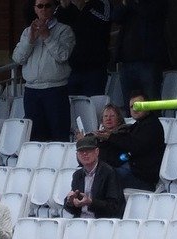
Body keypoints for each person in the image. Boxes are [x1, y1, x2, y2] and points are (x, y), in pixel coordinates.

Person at [12, 1, 75, 142]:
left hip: (55, 89)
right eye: (40, 6)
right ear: (35, 9)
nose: (44, 9)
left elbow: (63, 55)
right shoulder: (28, 31)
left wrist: (47, 36)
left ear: (54, 8)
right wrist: (30, 41)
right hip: (32, 90)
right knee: (35, 136)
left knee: (59, 134)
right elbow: (17, 59)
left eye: (47, 5)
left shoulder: (64, 30)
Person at [96, 94, 165, 191]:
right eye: (132, 107)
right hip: (132, 170)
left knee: (104, 176)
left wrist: (110, 137)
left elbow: (135, 146)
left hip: (143, 178)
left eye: (138, 105)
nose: (135, 109)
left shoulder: (151, 125)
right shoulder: (138, 125)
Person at [114, 0, 168, 102]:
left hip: (148, 61)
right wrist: (125, 3)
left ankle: (154, 118)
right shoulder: (129, 4)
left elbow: (148, 13)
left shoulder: (156, 3)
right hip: (127, 62)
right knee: (130, 103)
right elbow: (116, 17)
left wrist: (132, 3)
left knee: (151, 100)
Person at [57, 0, 112, 96]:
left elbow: (105, 19)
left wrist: (83, 6)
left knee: (94, 107)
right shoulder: (65, 7)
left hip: (95, 69)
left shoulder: (102, 3)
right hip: (70, 70)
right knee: (71, 108)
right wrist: (64, 7)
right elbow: (55, 24)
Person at [63, 134, 125, 218]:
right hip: (81, 220)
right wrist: (70, 202)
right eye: (81, 151)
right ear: (77, 155)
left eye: (88, 150)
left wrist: (91, 203)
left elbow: (115, 207)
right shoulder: (77, 175)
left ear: (97, 152)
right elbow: (73, 210)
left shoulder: (110, 173)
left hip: (101, 222)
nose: (84, 154)